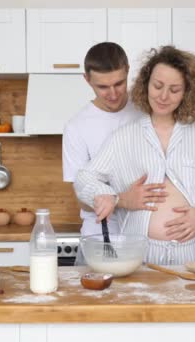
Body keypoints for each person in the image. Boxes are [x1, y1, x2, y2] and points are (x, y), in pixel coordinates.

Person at [74, 46, 195, 265]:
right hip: (141, 256)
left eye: (174, 90)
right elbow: (85, 178)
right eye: (157, 86)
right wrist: (107, 195)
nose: (163, 96)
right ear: (146, 84)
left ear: (187, 92)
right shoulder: (124, 136)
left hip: (194, 255)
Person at [62, 42, 168, 240]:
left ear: (128, 71)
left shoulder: (147, 110)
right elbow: (82, 199)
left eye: (119, 83)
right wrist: (122, 200)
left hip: (147, 232)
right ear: (87, 80)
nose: (112, 94)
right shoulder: (76, 127)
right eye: (102, 87)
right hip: (101, 234)